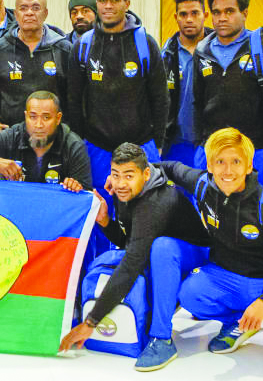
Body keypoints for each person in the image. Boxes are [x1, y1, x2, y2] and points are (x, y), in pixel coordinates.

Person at [162, 128, 263, 368]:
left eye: (236, 162)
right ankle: (237, 324)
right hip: (227, 276)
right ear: (209, 165)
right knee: (190, 293)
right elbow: (171, 168)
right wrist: (136, 170)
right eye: (220, 162)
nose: (228, 170)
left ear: (249, 166)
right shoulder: (202, 185)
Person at [58, 143, 209, 371]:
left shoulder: (155, 203)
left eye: (128, 176)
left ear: (146, 174)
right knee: (139, 252)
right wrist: (106, 221)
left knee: (161, 247)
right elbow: (129, 242)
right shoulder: (126, 191)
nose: (120, 184)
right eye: (115, 175)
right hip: (160, 258)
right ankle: (163, 299)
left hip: (197, 258)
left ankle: (162, 339)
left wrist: (91, 321)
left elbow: (132, 263)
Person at [66, 0, 168, 252]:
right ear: (96, 4)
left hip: (141, 145)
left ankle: (140, 272)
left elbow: (161, 99)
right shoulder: (83, 45)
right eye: (103, 1)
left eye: (114, 0)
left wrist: (157, 142)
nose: (108, 6)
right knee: (98, 215)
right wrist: (79, 144)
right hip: (97, 148)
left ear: (127, 4)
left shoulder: (145, 44)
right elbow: (74, 101)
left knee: (146, 214)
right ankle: (99, 275)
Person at [192, 0, 263, 188]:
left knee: (256, 217)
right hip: (212, 150)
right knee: (213, 216)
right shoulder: (202, 51)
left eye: (229, 11)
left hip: (255, 150)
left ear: (244, 13)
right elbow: (198, 102)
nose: (222, 18)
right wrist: (200, 147)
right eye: (216, 12)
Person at [0, 0, 71, 134]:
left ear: (45, 13)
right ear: (16, 14)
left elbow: (76, 97)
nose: (29, 13)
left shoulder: (63, 49)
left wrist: (68, 129)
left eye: (36, 8)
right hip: (11, 138)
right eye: (23, 8)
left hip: (54, 139)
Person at [0, 91, 90, 189]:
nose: (38, 125)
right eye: (33, 117)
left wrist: (74, 187)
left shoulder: (74, 145)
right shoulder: (12, 135)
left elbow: (86, 194)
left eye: (46, 118)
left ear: (58, 118)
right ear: (26, 116)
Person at [161, 0, 212, 166]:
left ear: (205, 15)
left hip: (210, 143)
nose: (189, 19)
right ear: (176, 17)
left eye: (195, 13)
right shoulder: (165, 56)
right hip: (175, 144)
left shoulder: (218, 51)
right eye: (183, 14)